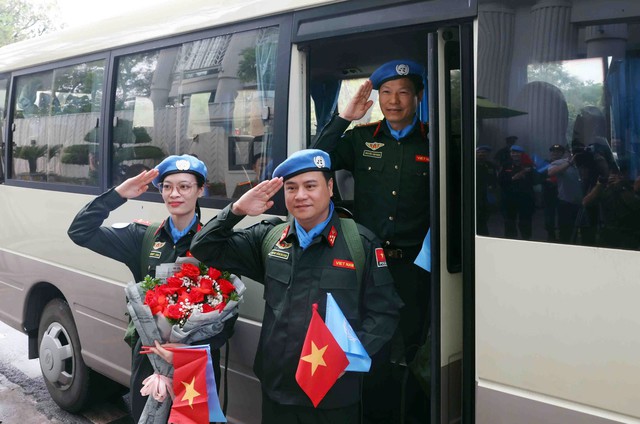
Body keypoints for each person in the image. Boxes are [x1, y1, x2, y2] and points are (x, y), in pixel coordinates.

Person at [189, 149, 403, 424]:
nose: (300, 195)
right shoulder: (269, 238)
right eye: (291, 188)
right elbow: (204, 247)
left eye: (310, 186)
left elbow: (385, 313)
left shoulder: (359, 244)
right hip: (278, 391)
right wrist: (236, 210)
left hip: (334, 394)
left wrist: (348, 357)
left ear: (330, 187)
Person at [67, 154, 235, 422]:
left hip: (196, 362)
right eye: (167, 187)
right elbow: (80, 232)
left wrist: (185, 351)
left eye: (184, 186)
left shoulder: (215, 244)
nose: (174, 194)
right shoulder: (143, 237)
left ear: (200, 190)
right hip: (149, 358)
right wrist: (119, 195)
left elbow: (228, 314)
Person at [312, 59, 430, 423]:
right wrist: (345, 118)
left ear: (418, 97)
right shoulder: (362, 138)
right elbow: (316, 159)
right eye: (386, 93)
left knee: (413, 345)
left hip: (416, 265)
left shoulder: (436, 140)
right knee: (369, 344)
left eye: (403, 93)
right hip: (368, 263)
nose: (394, 101)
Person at [498, 145, 535, 240]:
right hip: (509, 198)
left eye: (517, 152)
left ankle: (526, 239)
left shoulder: (529, 165)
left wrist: (526, 175)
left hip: (525, 198)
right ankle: (511, 239)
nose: (515, 154)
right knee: (509, 221)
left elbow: (534, 181)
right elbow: (500, 181)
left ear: (522, 154)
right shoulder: (505, 165)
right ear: (510, 154)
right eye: (513, 152)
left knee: (525, 221)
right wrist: (514, 178)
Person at [541, 144, 566, 241]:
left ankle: (563, 235)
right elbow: (538, 177)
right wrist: (546, 180)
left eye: (558, 151)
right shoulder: (545, 163)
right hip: (549, 193)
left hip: (562, 193)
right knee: (549, 216)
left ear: (562, 153)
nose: (555, 153)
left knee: (563, 215)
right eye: (553, 151)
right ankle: (550, 235)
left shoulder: (565, 164)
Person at [476, 145, 498, 236]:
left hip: (487, 195)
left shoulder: (490, 165)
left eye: (484, 152)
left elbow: (494, 179)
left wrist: (492, 186)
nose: (481, 154)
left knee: (485, 215)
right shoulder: (472, 165)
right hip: (475, 194)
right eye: (479, 152)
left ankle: (483, 233)